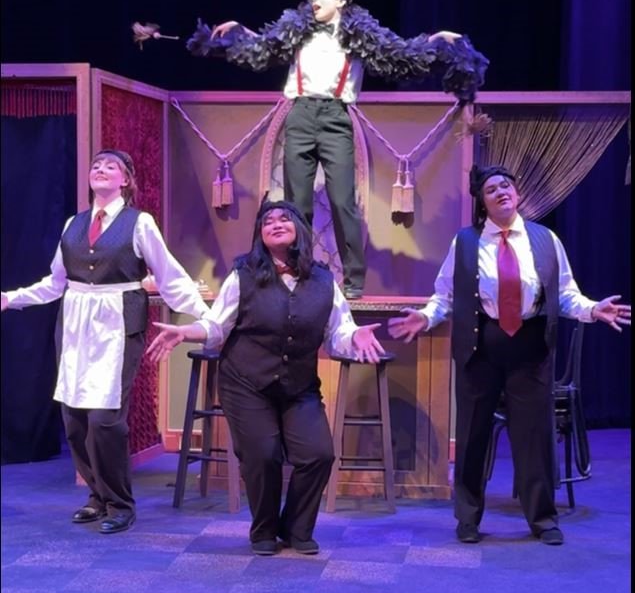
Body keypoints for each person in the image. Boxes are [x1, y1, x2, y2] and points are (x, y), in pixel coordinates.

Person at [186, 0, 489, 300]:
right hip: (300, 114)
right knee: (297, 203)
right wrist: (240, 30)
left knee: (343, 200)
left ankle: (354, 279)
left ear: (341, 0)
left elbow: (402, 53)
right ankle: (298, 272)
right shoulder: (298, 30)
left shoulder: (361, 35)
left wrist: (436, 39)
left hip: (335, 116)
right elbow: (265, 46)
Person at [387, 164, 631, 546]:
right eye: (491, 189)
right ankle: (468, 518)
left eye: (506, 186)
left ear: (516, 194)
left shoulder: (545, 239)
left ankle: (543, 519)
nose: (501, 192)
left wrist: (592, 309)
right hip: (481, 348)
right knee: (473, 435)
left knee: (534, 437)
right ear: (482, 203)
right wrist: (425, 316)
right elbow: (445, 296)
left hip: (531, 348)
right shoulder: (466, 242)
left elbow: (565, 293)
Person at [146, 199, 386, 555]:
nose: (276, 223)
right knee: (263, 455)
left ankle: (296, 529)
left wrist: (355, 338)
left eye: (284, 218)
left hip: (298, 386)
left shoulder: (324, 281)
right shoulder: (243, 275)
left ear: (299, 230)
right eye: (267, 220)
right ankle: (264, 530)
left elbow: (338, 332)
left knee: (318, 454)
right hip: (246, 383)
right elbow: (215, 326)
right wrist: (185, 332)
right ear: (260, 234)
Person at [1, 150, 210, 534]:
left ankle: (120, 503)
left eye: (110, 166)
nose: (100, 169)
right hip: (76, 322)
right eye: (96, 165)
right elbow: (55, 283)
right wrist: (10, 298)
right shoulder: (74, 224)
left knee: (105, 420)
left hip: (118, 322)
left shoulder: (139, 223)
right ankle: (97, 495)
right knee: (75, 420)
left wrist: (205, 319)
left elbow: (170, 277)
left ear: (126, 180)